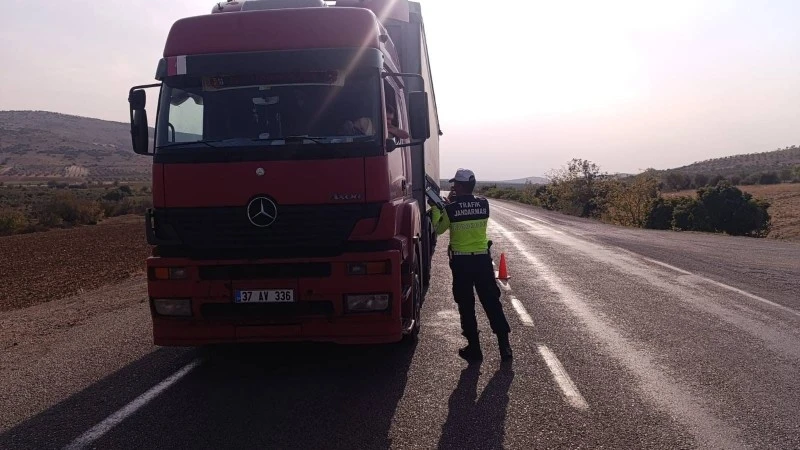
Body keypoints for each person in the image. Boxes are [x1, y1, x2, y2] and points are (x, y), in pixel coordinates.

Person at [431, 169, 513, 362]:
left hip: (462, 263)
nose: (453, 188)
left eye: (454, 185)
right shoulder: (484, 204)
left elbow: (438, 229)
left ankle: (474, 349)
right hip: (483, 261)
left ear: (459, 186)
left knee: (466, 305)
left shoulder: (451, 209)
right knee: (492, 302)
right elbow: (469, 208)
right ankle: (505, 347)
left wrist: (438, 208)